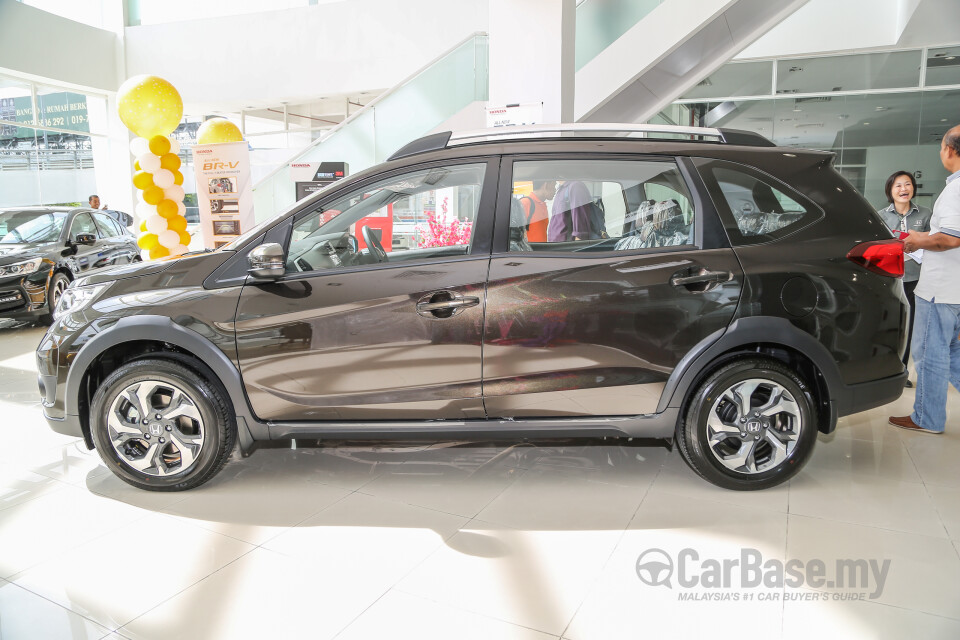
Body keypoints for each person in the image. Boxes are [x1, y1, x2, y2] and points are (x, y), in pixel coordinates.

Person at [889, 125, 960, 435]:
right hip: (953, 289)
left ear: (950, 150)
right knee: (953, 353)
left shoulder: (956, 190)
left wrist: (918, 240)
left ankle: (927, 418)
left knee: (928, 353)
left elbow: (950, 239)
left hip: (940, 290)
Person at [877, 171, 933, 387]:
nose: (903, 189)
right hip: (889, 278)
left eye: (907, 184)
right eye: (898, 185)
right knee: (887, 325)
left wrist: (917, 244)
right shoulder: (881, 215)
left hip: (914, 279)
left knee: (909, 327)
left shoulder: (925, 214)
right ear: (890, 191)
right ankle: (883, 371)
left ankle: (902, 371)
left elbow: (934, 243)